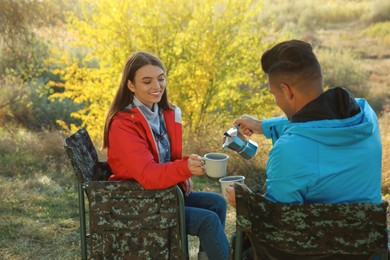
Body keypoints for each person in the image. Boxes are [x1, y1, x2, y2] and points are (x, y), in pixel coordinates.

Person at [103, 51, 229, 260]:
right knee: (208, 220)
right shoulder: (123, 124)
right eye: (147, 81)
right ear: (131, 85)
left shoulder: (163, 113)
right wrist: (183, 169)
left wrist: (186, 167)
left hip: (162, 196)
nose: (157, 86)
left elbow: (163, 158)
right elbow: (148, 174)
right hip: (138, 202)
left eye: (161, 79)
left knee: (217, 203)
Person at [226, 39, 382, 206]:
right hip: (371, 231)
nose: (276, 101)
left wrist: (245, 203)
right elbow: (320, 126)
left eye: (274, 94)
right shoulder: (366, 116)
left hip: (316, 233)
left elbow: (276, 226)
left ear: (287, 91)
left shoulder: (289, 151)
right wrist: (261, 126)